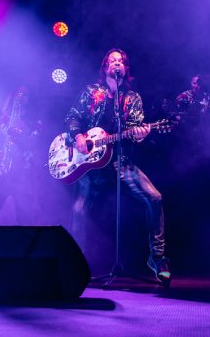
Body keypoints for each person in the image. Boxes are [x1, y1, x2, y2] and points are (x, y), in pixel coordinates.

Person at [65, 48, 171, 285]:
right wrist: (78, 136)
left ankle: (158, 258)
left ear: (125, 68)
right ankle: (75, 263)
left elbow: (134, 128)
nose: (117, 64)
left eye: (121, 61)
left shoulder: (132, 98)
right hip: (90, 164)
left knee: (154, 197)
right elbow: (72, 116)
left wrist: (141, 134)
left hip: (119, 161)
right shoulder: (91, 93)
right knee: (80, 209)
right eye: (112, 61)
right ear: (105, 68)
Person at [0, 85, 42, 225]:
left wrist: (25, 131)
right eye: (18, 93)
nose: (21, 96)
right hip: (0, 173)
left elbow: (36, 147)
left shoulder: (33, 124)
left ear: (28, 100)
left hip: (23, 176)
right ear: (12, 97)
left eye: (25, 94)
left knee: (24, 220)